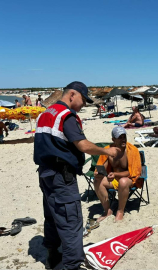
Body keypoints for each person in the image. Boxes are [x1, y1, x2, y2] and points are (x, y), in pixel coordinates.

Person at [34, 81, 119, 270]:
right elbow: (82, 145)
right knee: (71, 221)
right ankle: (72, 265)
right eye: (83, 100)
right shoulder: (67, 116)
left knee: (52, 215)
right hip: (61, 176)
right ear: (72, 95)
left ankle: (53, 254)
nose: (84, 105)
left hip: (45, 174)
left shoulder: (45, 114)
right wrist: (107, 152)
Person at [94, 126, 142, 222]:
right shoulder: (108, 150)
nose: (123, 139)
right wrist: (99, 173)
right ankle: (107, 210)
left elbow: (131, 172)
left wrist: (115, 174)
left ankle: (120, 211)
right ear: (113, 139)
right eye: (120, 137)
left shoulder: (132, 150)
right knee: (97, 181)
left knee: (123, 181)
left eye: (124, 137)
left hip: (128, 179)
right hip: (114, 179)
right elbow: (102, 166)